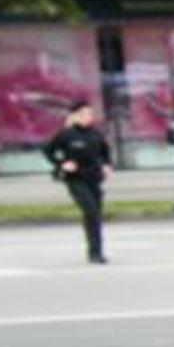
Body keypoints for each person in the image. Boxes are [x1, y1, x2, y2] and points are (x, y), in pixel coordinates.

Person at [43, 101, 110, 264]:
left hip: (93, 179)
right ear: (76, 116)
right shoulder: (66, 134)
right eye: (86, 114)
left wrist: (107, 165)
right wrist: (62, 163)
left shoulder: (96, 134)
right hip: (76, 179)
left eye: (91, 114)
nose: (89, 117)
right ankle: (94, 253)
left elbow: (105, 152)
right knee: (91, 211)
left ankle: (97, 251)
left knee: (95, 216)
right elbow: (48, 150)